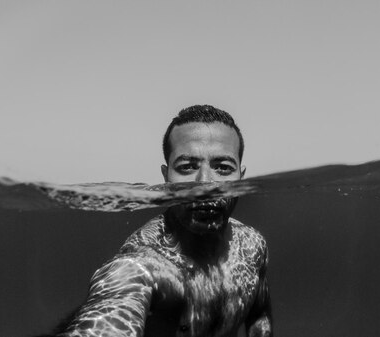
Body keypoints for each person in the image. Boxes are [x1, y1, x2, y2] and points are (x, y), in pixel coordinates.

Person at [59, 105, 272, 337]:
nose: (204, 185)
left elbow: (259, 319)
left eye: (223, 168)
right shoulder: (140, 265)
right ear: (165, 177)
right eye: (187, 167)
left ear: (241, 177)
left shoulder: (252, 246)